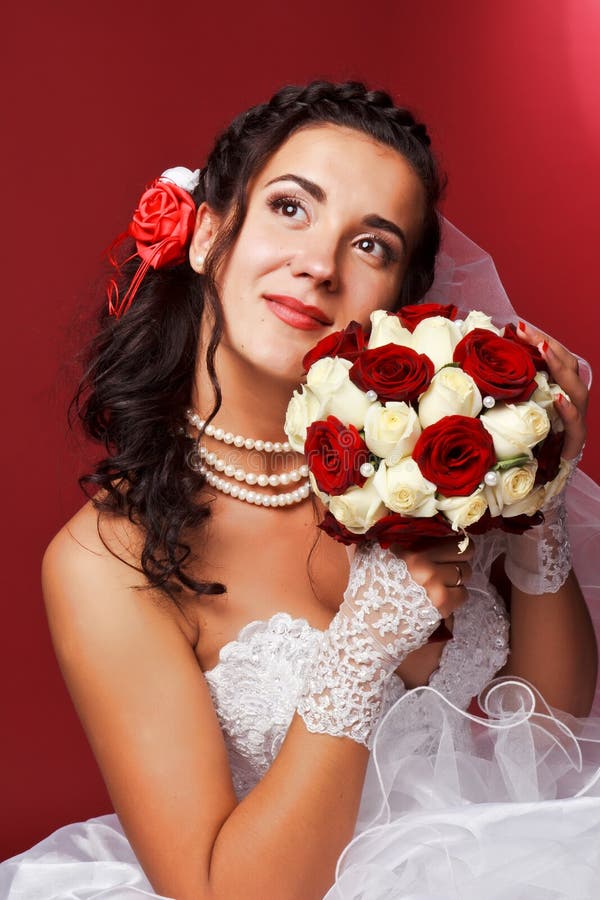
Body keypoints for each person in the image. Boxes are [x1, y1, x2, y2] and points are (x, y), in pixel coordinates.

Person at [2, 80, 600, 899]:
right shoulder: (103, 558)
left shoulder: (431, 447)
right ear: (209, 233)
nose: (319, 264)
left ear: (396, 299)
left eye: (372, 246)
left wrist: (537, 504)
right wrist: (362, 648)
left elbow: (553, 739)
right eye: (291, 207)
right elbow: (217, 891)